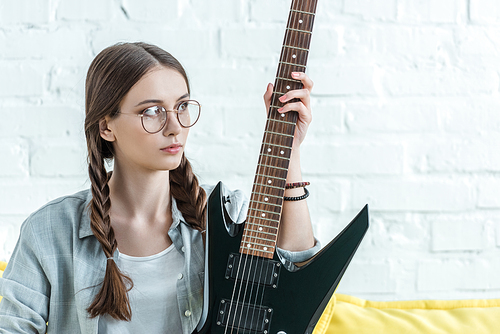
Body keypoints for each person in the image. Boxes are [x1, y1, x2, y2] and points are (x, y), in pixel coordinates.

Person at [0, 42, 319, 333]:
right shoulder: (49, 231)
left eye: (181, 107)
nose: (175, 126)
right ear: (106, 126)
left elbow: (297, 273)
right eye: (151, 111)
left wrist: (289, 156)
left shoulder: (224, 215)